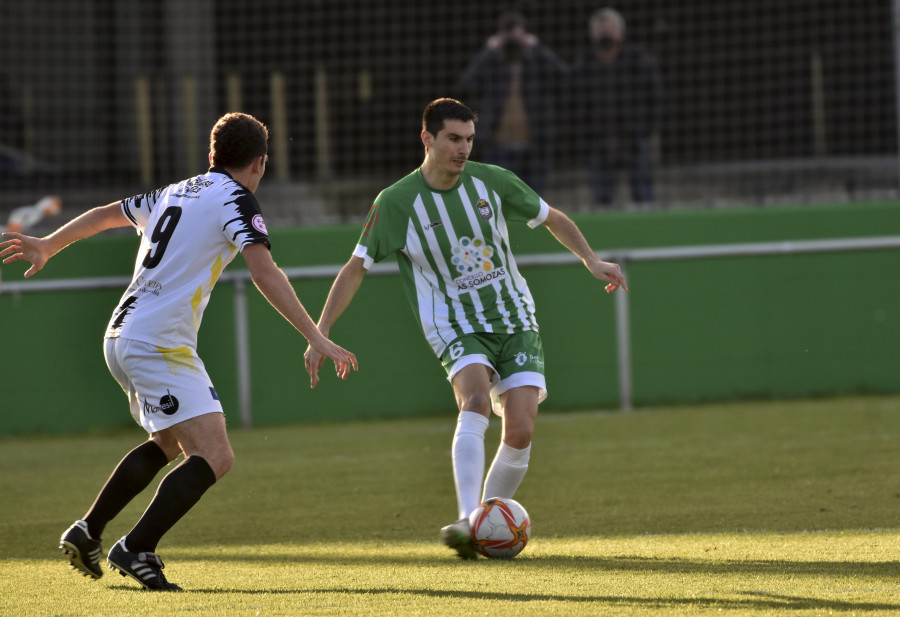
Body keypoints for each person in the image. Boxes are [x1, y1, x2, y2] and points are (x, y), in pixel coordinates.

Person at [0, 112, 357, 590]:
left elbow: (107, 214)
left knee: (169, 444)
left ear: (211, 156)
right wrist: (316, 335)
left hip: (123, 334)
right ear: (259, 163)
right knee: (215, 455)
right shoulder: (236, 198)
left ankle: (88, 531)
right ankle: (136, 548)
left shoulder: (173, 191)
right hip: (158, 342)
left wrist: (49, 242)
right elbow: (264, 271)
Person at [303, 98, 627, 559]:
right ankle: (466, 520)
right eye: (454, 138)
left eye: (469, 139)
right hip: (454, 324)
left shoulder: (492, 181)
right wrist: (321, 332)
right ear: (427, 139)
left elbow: (550, 216)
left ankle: (480, 527)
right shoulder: (396, 203)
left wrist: (591, 260)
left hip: (514, 316)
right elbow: (356, 267)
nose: (463, 149)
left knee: (520, 429)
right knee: (475, 399)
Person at [456, 10, 568, 194]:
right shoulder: (493, 65)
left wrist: (537, 47)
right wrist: (489, 50)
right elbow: (466, 83)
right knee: (498, 201)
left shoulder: (536, 63)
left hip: (535, 146)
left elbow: (564, 77)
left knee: (535, 204)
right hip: (499, 147)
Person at [570, 7, 664, 207]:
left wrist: (645, 131)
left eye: (611, 29)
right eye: (602, 30)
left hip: (635, 140)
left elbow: (656, 97)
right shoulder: (583, 65)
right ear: (592, 35)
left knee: (644, 199)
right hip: (599, 142)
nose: (606, 34)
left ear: (621, 33)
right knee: (601, 202)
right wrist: (586, 136)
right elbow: (573, 104)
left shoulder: (639, 60)